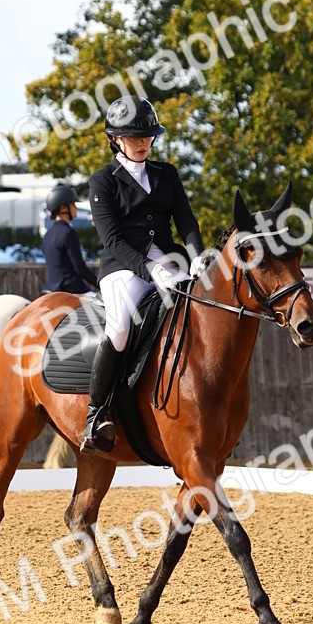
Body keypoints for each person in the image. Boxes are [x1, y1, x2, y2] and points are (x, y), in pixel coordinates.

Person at [80, 95, 205, 455]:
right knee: (119, 327)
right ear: (116, 139)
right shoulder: (103, 181)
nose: (142, 143)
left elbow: (186, 220)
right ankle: (96, 414)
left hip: (171, 261)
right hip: (124, 268)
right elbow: (112, 240)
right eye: (134, 137)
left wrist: (196, 256)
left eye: (148, 136)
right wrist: (149, 269)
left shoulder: (167, 173)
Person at [41, 184, 99, 298]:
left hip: (50, 289)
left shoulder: (47, 234)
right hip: (70, 288)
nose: (75, 208)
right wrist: (99, 283)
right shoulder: (68, 232)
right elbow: (79, 268)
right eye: (73, 204)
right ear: (63, 208)